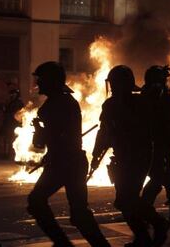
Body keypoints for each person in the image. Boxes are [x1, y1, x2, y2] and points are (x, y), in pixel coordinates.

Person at [27, 61, 110, 247]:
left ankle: (62, 243)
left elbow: (46, 142)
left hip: (64, 163)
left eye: (41, 79)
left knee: (37, 201)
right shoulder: (64, 102)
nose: (38, 83)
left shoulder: (53, 106)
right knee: (79, 213)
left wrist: (41, 133)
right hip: (70, 162)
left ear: (51, 80)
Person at [91, 65, 169, 247]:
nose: (113, 87)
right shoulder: (110, 105)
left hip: (139, 156)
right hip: (122, 157)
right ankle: (143, 236)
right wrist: (96, 155)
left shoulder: (141, 103)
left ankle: (158, 224)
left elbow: (150, 129)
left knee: (128, 198)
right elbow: (104, 132)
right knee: (124, 201)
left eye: (115, 83)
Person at [141, 65, 170, 224]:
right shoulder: (146, 98)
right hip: (153, 145)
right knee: (157, 180)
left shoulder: (166, 97)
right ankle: (144, 211)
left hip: (167, 144)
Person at [0, 87, 24, 159]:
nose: (11, 95)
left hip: (14, 124)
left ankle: (11, 154)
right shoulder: (10, 102)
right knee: (6, 139)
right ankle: (6, 154)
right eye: (11, 94)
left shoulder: (18, 102)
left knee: (12, 139)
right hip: (8, 123)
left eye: (13, 94)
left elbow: (18, 113)